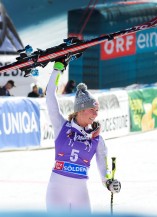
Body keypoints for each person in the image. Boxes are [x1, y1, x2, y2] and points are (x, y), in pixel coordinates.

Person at [45, 58, 121, 213]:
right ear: (80, 110)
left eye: (97, 110)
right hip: (57, 191)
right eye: (92, 110)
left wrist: (108, 181)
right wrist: (57, 69)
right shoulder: (62, 126)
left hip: (80, 193)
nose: (96, 114)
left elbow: (103, 162)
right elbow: (50, 96)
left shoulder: (96, 137)